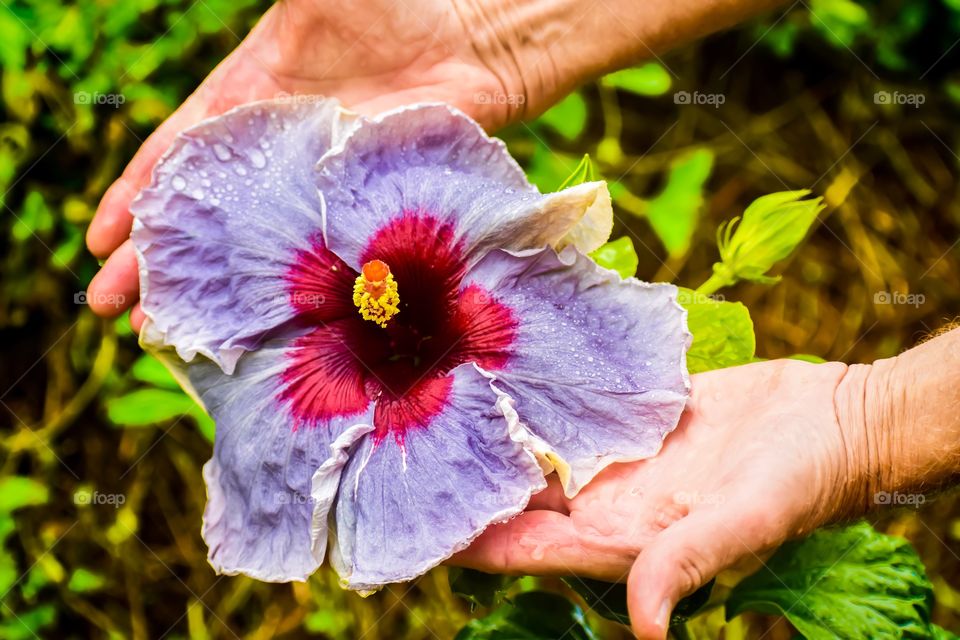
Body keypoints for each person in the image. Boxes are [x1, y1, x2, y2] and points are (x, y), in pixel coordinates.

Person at [83, 1, 960, 637]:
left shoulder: (454, 287)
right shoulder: (336, 306)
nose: (374, 297)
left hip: (470, 336)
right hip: (366, 374)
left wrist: (873, 427)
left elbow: (619, 380)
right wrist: (487, 25)